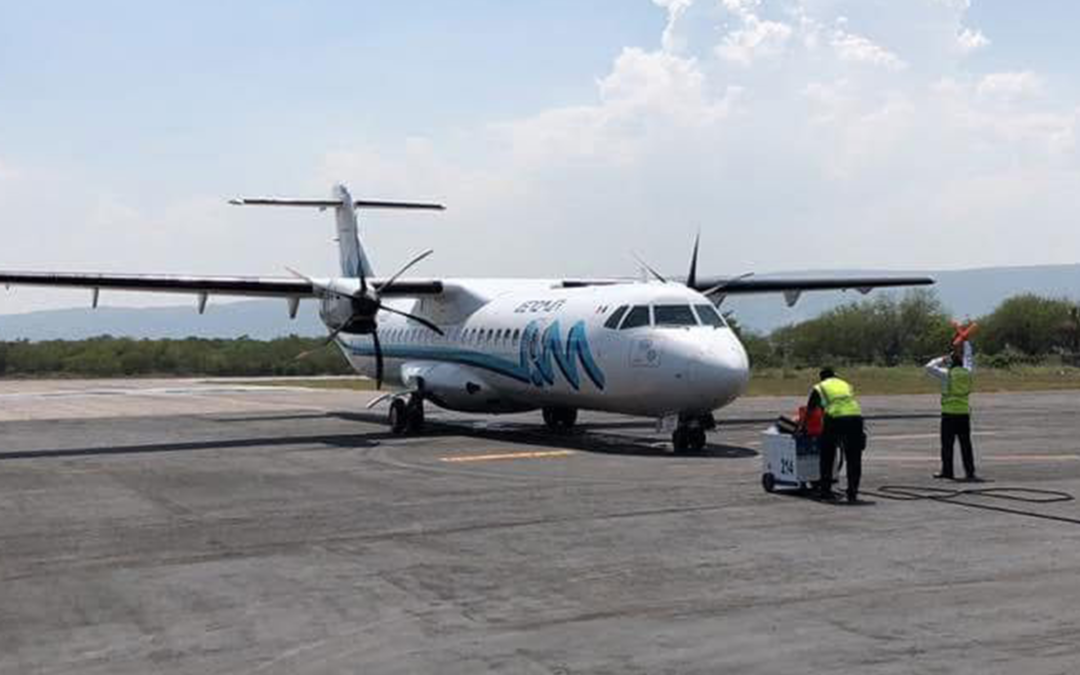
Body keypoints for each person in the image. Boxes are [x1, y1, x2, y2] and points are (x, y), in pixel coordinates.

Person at [805, 368, 866, 503]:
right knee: (854, 458)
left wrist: (803, 427)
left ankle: (825, 492)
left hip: (835, 419)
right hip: (856, 418)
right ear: (835, 376)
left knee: (827, 455)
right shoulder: (845, 385)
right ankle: (852, 493)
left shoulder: (820, 387)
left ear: (821, 378)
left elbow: (810, 409)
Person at [925, 341, 980, 482]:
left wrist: (942, 359)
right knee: (965, 444)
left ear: (950, 363)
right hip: (963, 413)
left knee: (947, 445)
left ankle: (947, 471)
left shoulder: (946, 374)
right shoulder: (967, 372)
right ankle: (970, 472)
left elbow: (929, 367)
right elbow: (968, 357)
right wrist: (966, 342)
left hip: (949, 414)